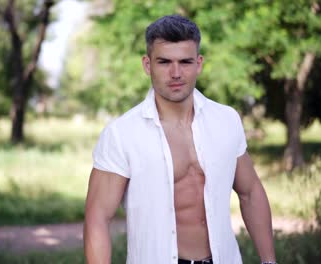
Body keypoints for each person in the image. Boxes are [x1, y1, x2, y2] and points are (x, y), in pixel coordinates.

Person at [84, 14, 276, 264]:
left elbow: (250, 192)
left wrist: (269, 261)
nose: (176, 73)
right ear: (147, 65)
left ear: (199, 64)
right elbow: (97, 217)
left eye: (185, 62)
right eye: (164, 62)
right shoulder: (122, 134)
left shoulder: (226, 120)